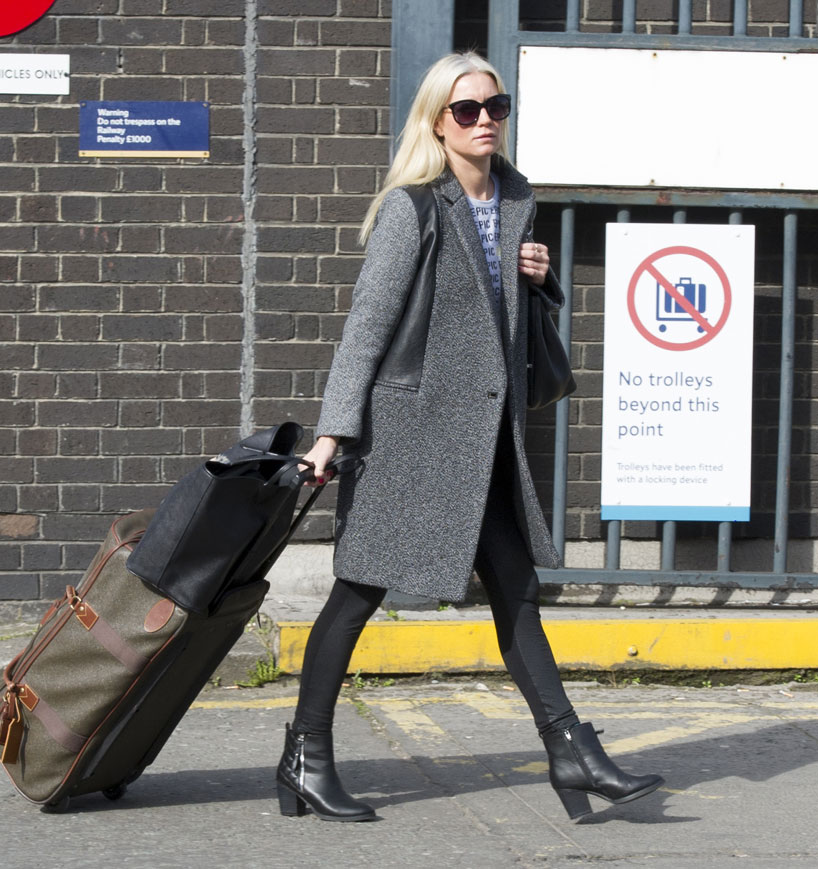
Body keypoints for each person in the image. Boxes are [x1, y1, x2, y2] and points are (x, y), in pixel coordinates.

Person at [275, 51, 664, 823]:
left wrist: (539, 278)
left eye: (496, 105)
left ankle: (568, 748)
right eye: (466, 109)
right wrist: (331, 434)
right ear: (436, 122)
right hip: (409, 437)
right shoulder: (412, 208)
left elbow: (496, 321)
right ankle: (305, 758)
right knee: (357, 593)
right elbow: (366, 329)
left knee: (516, 589)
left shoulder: (515, 200)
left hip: (483, 440)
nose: (485, 118)